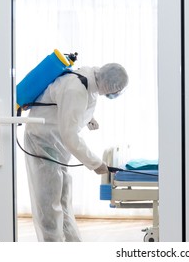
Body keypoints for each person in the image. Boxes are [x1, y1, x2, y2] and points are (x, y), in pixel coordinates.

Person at [23, 63, 128, 242]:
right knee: (49, 205)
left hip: (56, 143)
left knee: (63, 199)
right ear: (110, 85)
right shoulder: (76, 89)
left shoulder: (91, 76)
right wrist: (96, 164)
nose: (117, 93)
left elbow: (67, 104)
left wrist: (87, 118)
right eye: (118, 90)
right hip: (43, 142)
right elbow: (70, 135)